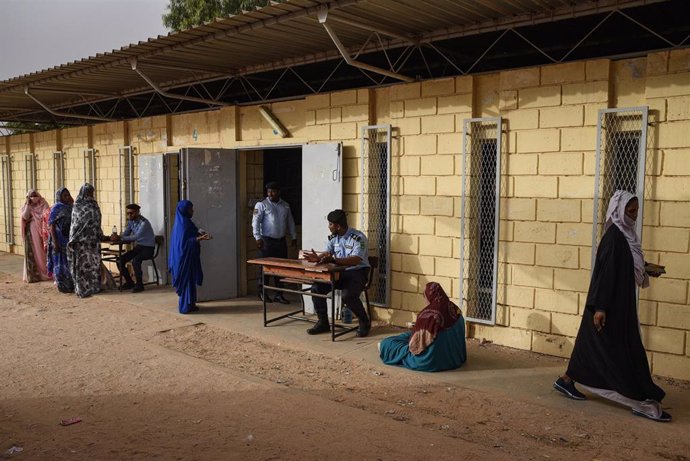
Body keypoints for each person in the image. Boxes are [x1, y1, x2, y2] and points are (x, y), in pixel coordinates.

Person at [553, 190, 671, 422]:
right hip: (608, 308)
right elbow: (605, 275)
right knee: (621, 352)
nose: (634, 216)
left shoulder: (625, 236)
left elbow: (623, 267)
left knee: (590, 346)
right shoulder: (614, 238)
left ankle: (566, 380)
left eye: (636, 211)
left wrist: (646, 269)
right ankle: (637, 398)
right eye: (630, 211)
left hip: (614, 304)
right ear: (619, 211)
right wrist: (600, 308)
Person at [303, 209, 371, 337]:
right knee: (316, 288)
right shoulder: (334, 237)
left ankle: (364, 321)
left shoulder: (358, 238)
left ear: (338, 226)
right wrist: (319, 258)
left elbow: (356, 260)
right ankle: (323, 322)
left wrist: (334, 260)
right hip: (338, 272)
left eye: (330, 224)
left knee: (348, 295)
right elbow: (328, 253)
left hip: (357, 272)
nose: (328, 227)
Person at [379, 282, 467, 372]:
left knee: (387, 344)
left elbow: (414, 348)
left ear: (429, 296)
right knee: (407, 335)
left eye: (424, 297)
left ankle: (383, 346)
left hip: (430, 361)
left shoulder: (427, 315)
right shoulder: (455, 309)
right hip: (455, 359)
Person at [252, 181, 297, 304]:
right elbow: (255, 222)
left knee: (280, 269)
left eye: (273, 191)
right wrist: (257, 237)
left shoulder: (285, 205)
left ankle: (279, 294)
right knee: (265, 269)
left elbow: (290, 222)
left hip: (280, 241)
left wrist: (294, 236)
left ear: (279, 192)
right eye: (268, 191)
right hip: (266, 241)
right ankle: (262, 292)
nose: (270, 194)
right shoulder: (262, 205)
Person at [168, 200, 211, 314]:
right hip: (183, 258)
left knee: (190, 281)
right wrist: (200, 238)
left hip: (189, 257)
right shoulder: (183, 224)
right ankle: (184, 307)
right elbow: (184, 244)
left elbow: (192, 234)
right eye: (190, 209)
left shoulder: (186, 222)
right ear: (184, 210)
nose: (192, 211)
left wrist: (200, 234)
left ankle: (191, 304)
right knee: (186, 281)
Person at [67, 183, 110, 298]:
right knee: (82, 267)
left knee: (94, 265)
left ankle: (94, 287)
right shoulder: (77, 205)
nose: (91, 194)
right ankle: (82, 288)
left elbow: (97, 222)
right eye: (89, 192)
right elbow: (75, 223)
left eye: (92, 192)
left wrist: (100, 235)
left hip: (93, 242)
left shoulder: (94, 205)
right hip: (81, 242)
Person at [112, 203, 156, 293]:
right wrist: (117, 236)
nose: (129, 215)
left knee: (135, 260)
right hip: (139, 247)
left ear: (137, 212)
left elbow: (136, 237)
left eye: (131, 213)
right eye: (127, 213)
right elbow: (126, 234)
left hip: (148, 248)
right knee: (120, 260)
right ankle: (129, 282)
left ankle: (139, 284)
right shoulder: (131, 222)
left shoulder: (144, 223)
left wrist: (120, 238)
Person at [47, 187, 75, 293]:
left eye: (68, 195)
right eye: (65, 195)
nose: (67, 197)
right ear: (60, 197)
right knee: (60, 262)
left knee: (68, 262)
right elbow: (52, 225)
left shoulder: (71, 207)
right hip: (58, 238)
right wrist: (55, 242)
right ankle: (62, 285)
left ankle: (70, 284)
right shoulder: (56, 208)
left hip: (68, 239)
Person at [20, 189, 52, 283]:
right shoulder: (26, 206)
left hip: (43, 231)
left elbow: (46, 215)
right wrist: (28, 205)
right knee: (34, 251)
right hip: (32, 232)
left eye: (35, 195)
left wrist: (38, 219)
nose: (34, 198)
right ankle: (35, 274)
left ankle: (46, 272)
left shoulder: (44, 203)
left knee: (42, 252)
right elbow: (25, 217)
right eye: (31, 196)